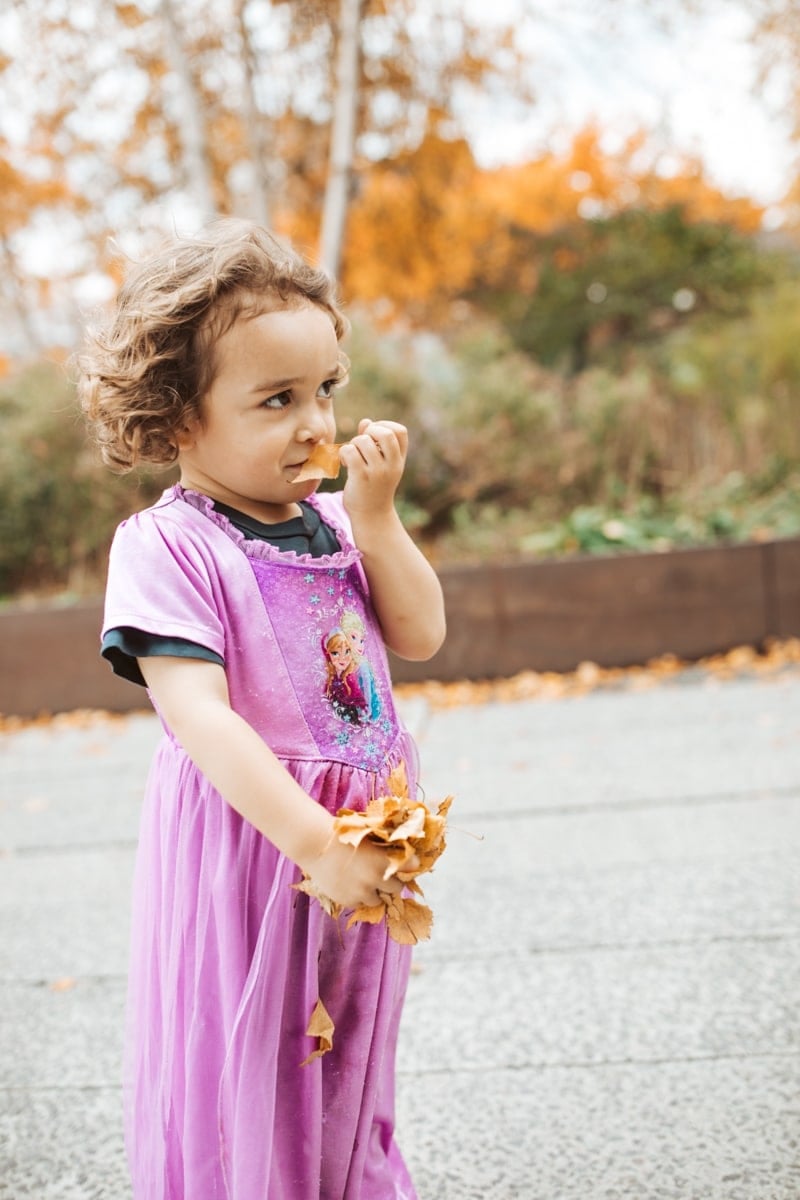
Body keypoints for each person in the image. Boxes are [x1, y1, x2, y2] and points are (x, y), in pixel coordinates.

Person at [77, 218, 446, 1200]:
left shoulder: (335, 520)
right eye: (276, 400)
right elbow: (197, 715)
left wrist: (376, 520)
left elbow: (419, 633)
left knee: (350, 1048)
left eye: (326, 389)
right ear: (178, 420)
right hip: (258, 846)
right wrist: (310, 839)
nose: (316, 423)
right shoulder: (170, 547)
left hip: (364, 838)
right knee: (258, 1056)